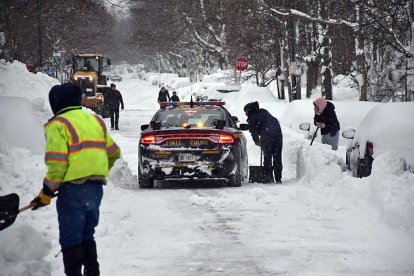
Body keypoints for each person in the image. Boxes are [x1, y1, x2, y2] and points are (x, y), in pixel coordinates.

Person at [30, 82, 121, 276]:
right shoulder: (95, 120)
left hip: (72, 191)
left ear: (56, 103)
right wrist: (97, 170)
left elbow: (57, 163)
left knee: (71, 239)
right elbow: (113, 152)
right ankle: (92, 272)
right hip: (96, 189)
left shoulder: (58, 124)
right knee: (87, 235)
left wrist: (47, 190)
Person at [244, 101, 283, 183]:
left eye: (246, 111)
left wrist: (257, 141)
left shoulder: (253, 116)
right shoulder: (263, 111)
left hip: (267, 135)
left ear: (249, 110)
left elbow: (253, 130)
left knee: (267, 157)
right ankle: (278, 178)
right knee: (277, 157)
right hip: (278, 135)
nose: (245, 114)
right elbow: (266, 123)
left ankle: (267, 177)